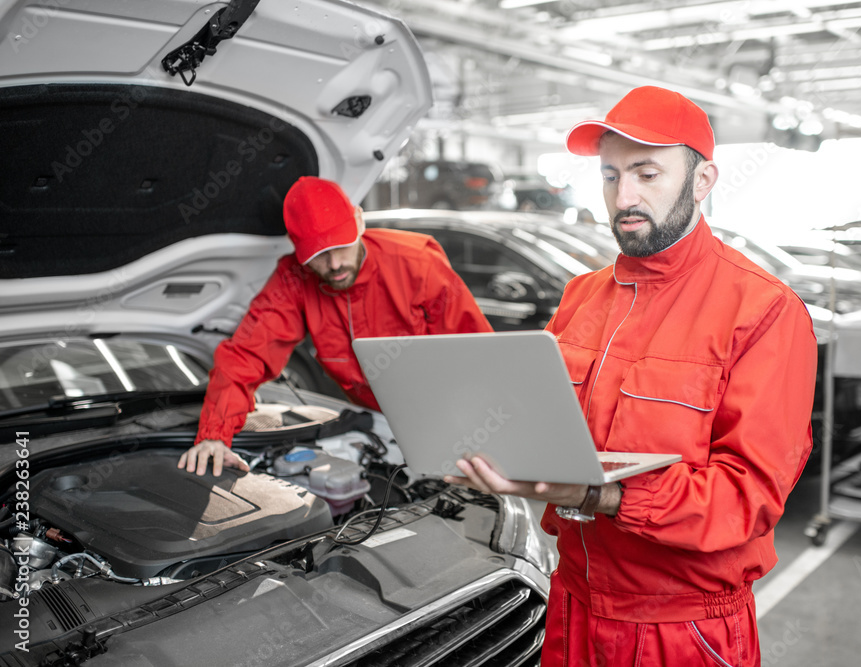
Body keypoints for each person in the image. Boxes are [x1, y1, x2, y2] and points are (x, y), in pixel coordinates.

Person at [445, 86, 817, 666]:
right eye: (611, 175)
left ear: (703, 180)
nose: (625, 196)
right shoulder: (581, 295)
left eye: (647, 174)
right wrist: (492, 447)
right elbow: (546, 426)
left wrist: (604, 495)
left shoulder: (763, 311)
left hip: (681, 629)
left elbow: (749, 498)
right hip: (572, 604)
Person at [179, 176, 492, 476]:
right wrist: (214, 434)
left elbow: (477, 354)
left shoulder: (418, 264)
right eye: (318, 255)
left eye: (341, 246)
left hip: (447, 420)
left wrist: (479, 428)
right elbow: (247, 353)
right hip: (377, 425)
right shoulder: (294, 278)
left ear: (359, 220)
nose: (334, 265)